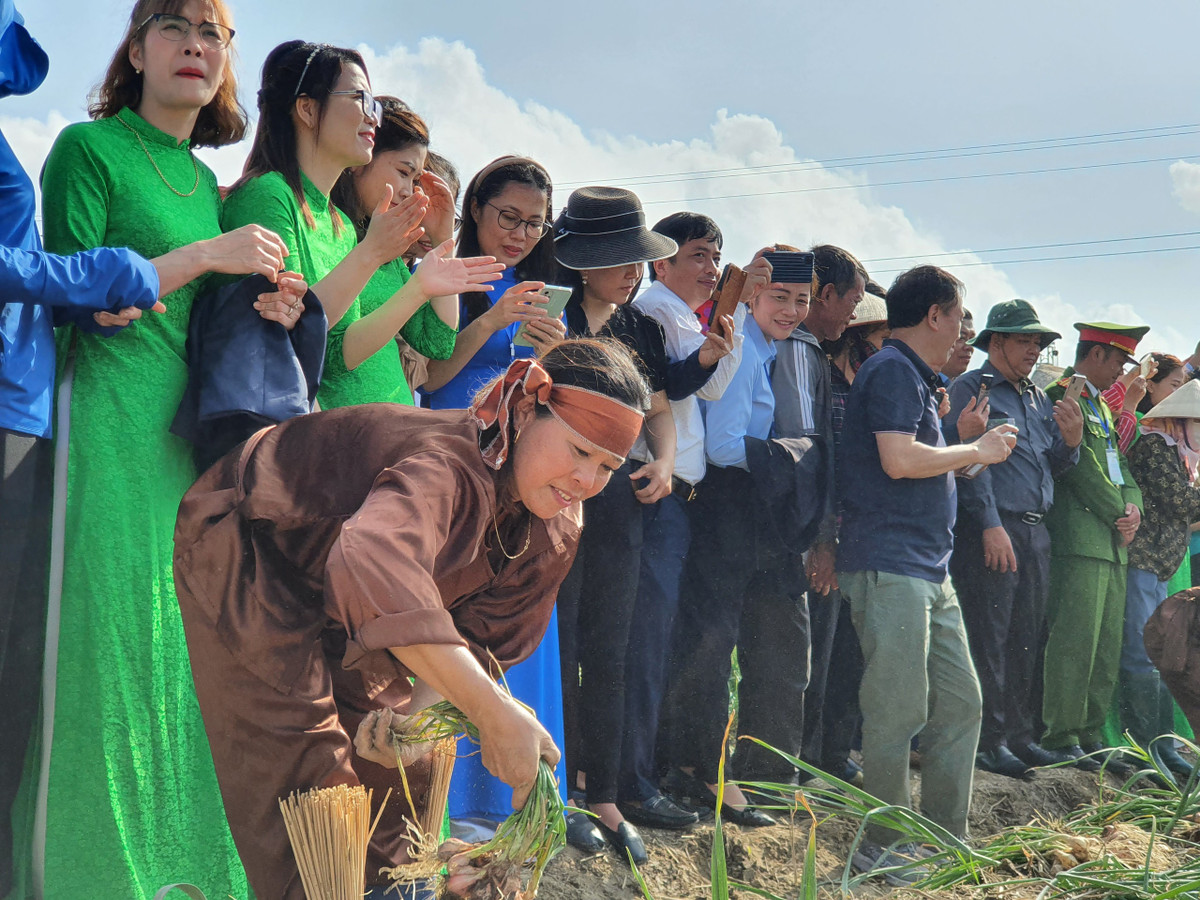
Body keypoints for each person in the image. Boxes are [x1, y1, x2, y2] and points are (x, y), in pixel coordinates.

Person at [15, 2, 314, 896]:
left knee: (180, 658)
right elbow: (65, 298)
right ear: (136, 49)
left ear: (227, 62)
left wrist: (278, 305)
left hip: (191, 445)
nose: (194, 45)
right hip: (102, 420)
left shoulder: (206, 184)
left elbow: (214, 323)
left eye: (211, 33)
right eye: (173, 26)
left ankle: (177, 871)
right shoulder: (87, 147)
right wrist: (208, 257)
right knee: (99, 653)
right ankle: (76, 873)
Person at [172, 340, 649, 899]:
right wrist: (494, 715)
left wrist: (415, 723)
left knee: (401, 772)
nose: (585, 480)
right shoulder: (446, 464)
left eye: (607, 466)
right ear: (524, 411)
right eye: (576, 450)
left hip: (355, 602)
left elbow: (478, 639)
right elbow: (372, 562)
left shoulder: (558, 523)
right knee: (313, 781)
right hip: (257, 551)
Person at [837, 265, 1015, 884]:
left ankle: (943, 840)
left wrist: (960, 451)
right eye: (960, 315)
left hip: (926, 569)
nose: (964, 329)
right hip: (890, 565)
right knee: (897, 708)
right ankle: (884, 845)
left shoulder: (915, 376)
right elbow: (898, 458)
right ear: (935, 314)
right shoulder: (890, 370)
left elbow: (920, 461)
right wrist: (977, 451)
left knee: (961, 701)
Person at [552, 187, 708, 861]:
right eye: (617, 258)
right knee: (558, 646)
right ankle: (555, 795)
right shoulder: (550, 317)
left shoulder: (639, 329)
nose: (631, 271)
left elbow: (661, 414)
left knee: (611, 650)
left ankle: (607, 797)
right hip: (555, 503)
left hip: (624, 504)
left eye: (635, 258)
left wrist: (665, 464)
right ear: (581, 261)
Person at [222, 44, 499, 397]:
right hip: (326, 433)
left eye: (375, 105)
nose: (373, 117)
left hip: (376, 432)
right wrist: (378, 258)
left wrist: (436, 244)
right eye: (359, 99)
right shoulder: (269, 194)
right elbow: (292, 336)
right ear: (307, 109)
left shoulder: (339, 224)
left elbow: (437, 342)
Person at [661, 249, 819, 827]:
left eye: (802, 301)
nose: (792, 310)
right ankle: (697, 773)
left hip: (760, 506)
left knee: (768, 649)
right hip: (727, 506)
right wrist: (796, 457)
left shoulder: (783, 348)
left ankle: (748, 777)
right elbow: (726, 445)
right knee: (709, 644)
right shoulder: (743, 344)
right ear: (753, 294)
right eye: (780, 297)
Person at [618, 210, 740, 834]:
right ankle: (632, 782)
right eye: (697, 255)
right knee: (644, 642)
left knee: (661, 642)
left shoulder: (682, 315)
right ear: (659, 262)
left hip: (679, 496)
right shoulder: (656, 310)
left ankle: (648, 772)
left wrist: (717, 345)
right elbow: (677, 383)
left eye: (716, 259)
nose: (711, 270)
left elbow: (707, 389)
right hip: (655, 492)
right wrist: (716, 348)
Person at [945, 300, 1082, 779]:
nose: (1034, 349)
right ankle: (988, 742)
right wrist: (987, 522)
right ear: (996, 341)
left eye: (1039, 342)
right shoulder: (971, 387)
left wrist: (1071, 442)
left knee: (1027, 637)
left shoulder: (1037, 397)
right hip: (994, 528)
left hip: (1033, 530)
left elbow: (1052, 468)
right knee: (990, 637)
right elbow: (967, 461)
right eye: (1025, 340)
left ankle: (1020, 738)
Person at [773, 243, 868, 786]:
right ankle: (789, 767)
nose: (853, 314)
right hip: (798, 531)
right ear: (826, 295)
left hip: (811, 529)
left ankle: (805, 761)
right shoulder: (797, 352)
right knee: (795, 658)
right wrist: (822, 539)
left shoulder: (809, 354)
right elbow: (809, 459)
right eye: (851, 301)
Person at [1041, 322, 1147, 773]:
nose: (1121, 372)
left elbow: (1119, 461)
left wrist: (1135, 507)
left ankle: (1089, 735)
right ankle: (1060, 736)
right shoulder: (1064, 395)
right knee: (1075, 643)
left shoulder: (1101, 405)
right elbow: (1080, 466)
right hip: (1080, 537)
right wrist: (1118, 511)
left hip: (1111, 541)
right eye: (1119, 361)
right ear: (1098, 354)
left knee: (1104, 647)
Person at [321, 97, 467, 408]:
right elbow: (332, 355)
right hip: (342, 427)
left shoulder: (390, 256)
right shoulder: (326, 231)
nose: (408, 190)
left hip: (395, 427)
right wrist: (416, 290)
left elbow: (438, 342)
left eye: (416, 180)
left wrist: (443, 239)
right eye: (404, 172)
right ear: (362, 157)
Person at [422, 155, 566, 405]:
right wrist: (489, 322)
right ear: (476, 209)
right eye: (509, 218)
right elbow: (426, 381)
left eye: (534, 224)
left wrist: (556, 354)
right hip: (448, 436)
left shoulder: (544, 296)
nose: (520, 235)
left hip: (520, 439)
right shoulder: (436, 279)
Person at [1120, 366, 1200, 778]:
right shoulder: (1155, 446)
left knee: (1164, 656)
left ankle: (1163, 745)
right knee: (1141, 654)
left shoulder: (1180, 455)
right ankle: (1142, 749)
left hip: (1161, 564)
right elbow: (1184, 505)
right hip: (1143, 562)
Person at [941, 308, 976, 383]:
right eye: (962, 338)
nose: (969, 347)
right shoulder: (919, 383)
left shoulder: (968, 389)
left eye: (972, 339)